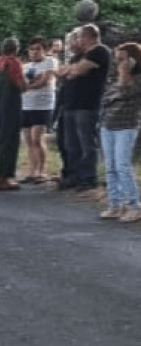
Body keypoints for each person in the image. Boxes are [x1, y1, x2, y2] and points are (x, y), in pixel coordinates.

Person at [55, 24, 112, 191]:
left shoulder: (99, 52)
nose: (77, 41)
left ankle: (88, 177)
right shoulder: (79, 55)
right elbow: (61, 72)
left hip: (87, 104)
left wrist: (71, 70)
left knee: (86, 142)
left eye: (79, 37)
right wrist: (69, 70)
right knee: (70, 143)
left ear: (88, 36)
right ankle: (73, 175)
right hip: (70, 104)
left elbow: (78, 71)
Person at [98, 42, 141, 222]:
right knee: (110, 167)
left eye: (122, 59)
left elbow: (124, 94)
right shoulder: (115, 80)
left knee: (122, 166)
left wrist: (125, 75)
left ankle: (134, 205)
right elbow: (107, 99)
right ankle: (115, 204)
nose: (118, 63)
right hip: (108, 124)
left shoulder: (137, 81)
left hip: (126, 125)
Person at [0, 37, 26, 191]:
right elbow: (20, 84)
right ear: (16, 49)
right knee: (8, 140)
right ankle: (3, 177)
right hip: (10, 105)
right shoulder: (13, 63)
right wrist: (29, 84)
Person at [20, 36, 57, 183]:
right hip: (26, 104)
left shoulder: (50, 62)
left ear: (45, 50)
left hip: (43, 105)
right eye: (32, 49)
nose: (35, 52)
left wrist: (30, 84)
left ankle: (41, 171)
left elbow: (45, 81)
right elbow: (20, 82)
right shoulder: (25, 66)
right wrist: (31, 82)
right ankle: (32, 170)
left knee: (37, 138)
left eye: (38, 49)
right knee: (28, 140)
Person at [52, 31, 82, 184]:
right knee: (63, 141)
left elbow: (66, 73)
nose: (69, 45)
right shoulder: (70, 59)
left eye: (71, 41)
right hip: (64, 102)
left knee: (74, 142)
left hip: (77, 104)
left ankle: (75, 174)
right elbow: (58, 72)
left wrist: (65, 71)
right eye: (68, 42)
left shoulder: (82, 58)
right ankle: (67, 171)